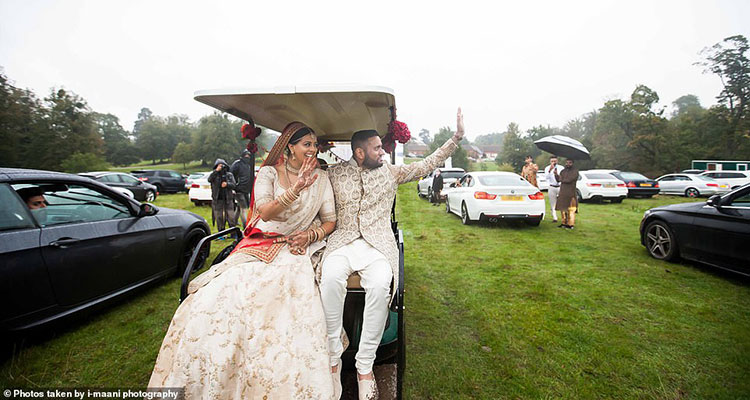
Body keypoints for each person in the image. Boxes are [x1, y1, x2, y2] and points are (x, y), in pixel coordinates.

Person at [149, 122, 337, 399]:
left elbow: (330, 221)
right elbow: (266, 212)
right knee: (216, 296)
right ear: (290, 148)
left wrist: (311, 234)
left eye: (314, 144)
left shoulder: (321, 178)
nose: (312, 149)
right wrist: (296, 188)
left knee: (282, 301)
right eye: (306, 144)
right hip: (263, 242)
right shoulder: (269, 174)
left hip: (297, 249)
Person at [320, 108, 465, 400]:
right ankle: (333, 358)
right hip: (343, 242)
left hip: (377, 245)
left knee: (380, 284)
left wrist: (456, 138)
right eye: (377, 148)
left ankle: (364, 366)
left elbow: (427, 164)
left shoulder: (391, 173)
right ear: (359, 153)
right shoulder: (334, 174)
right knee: (330, 277)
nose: (383, 152)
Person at [207, 159, 236, 231]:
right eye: (219, 166)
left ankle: (232, 232)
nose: (221, 167)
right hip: (217, 198)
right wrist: (216, 171)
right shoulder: (214, 175)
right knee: (219, 216)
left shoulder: (229, 175)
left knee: (231, 216)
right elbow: (209, 179)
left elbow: (233, 184)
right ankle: (221, 232)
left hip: (228, 198)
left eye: (222, 166)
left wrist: (227, 184)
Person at [231, 149, 254, 227]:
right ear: (242, 156)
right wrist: (234, 187)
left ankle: (233, 223)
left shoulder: (249, 165)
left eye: (248, 156)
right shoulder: (237, 164)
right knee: (244, 208)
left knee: (239, 208)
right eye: (245, 155)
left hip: (246, 190)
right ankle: (245, 226)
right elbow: (231, 175)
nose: (247, 157)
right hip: (238, 190)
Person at [554, 158, 579, 229]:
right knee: (563, 208)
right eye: (567, 162)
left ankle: (570, 224)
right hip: (562, 192)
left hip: (571, 193)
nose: (568, 164)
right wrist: (556, 175)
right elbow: (558, 180)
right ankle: (563, 223)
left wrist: (561, 179)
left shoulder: (575, 172)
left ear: (573, 163)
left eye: (570, 163)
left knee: (571, 209)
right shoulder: (563, 171)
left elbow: (569, 180)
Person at [544, 156, 564, 222]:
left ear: (557, 161)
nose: (553, 162)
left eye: (554, 161)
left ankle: (563, 217)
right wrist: (550, 170)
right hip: (552, 186)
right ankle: (554, 217)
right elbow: (546, 177)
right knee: (553, 203)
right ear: (550, 162)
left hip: (560, 186)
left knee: (562, 202)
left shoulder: (561, 168)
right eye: (552, 161)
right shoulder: (547, 168)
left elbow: (563, 177)